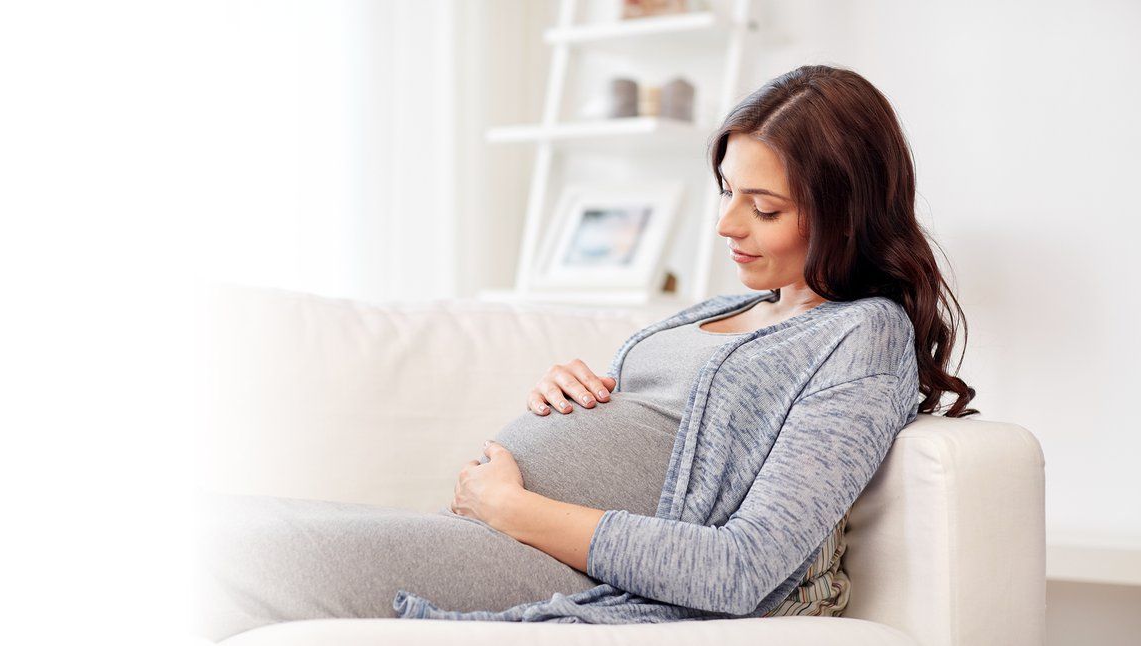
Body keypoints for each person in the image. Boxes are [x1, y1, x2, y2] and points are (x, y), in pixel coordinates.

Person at [194, 63, 978, 642]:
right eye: (727, 194)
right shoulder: (742, 305)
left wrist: (515, 506)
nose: (727, 226)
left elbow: (742, 568)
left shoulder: (861, 336)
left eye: (763, 206)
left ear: (847, 211)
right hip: (490, 528)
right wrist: (584, 391)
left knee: (220, 554)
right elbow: (668, 426)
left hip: (567, 567)